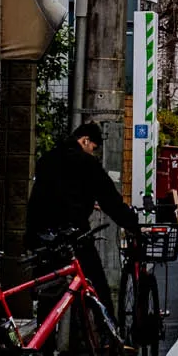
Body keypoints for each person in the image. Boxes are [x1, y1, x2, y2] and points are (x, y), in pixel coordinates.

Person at [25, 120, 141, 320]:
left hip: (42, 233)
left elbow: (44, 197)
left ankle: (44, 347)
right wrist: (133, 224)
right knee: (96, 284)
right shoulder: (86, 163)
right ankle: (108, 335)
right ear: (85, 140)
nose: (93, 153)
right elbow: (110, 201)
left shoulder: (48, 159)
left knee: (49, 291)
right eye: (93, 148)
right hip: (73, 233)